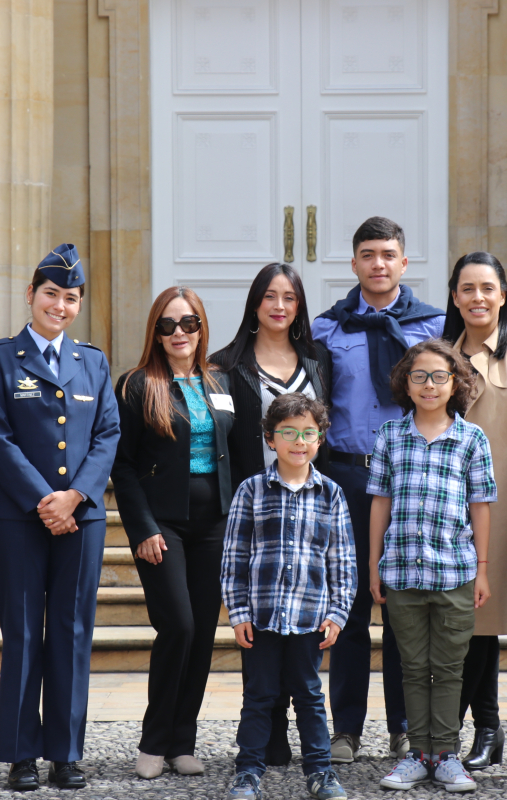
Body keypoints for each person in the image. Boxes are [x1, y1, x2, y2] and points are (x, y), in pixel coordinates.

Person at [0, 245, 121, 791]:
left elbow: (107, 434)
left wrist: (76, 496)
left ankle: (66, 753)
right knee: (22, 634)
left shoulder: (94, 361)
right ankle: (20, 754)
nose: (59, 306)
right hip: (19, 519)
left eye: (71, 298)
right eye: (51, 294)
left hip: (81, 520)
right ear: (32, 295)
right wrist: (45, 499)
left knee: (72, 632)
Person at [309, 216, 439, 762]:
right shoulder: (326, 329)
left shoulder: (431, 326)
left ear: (403, 263)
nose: (378, 263)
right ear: (355, 263)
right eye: (368, 254)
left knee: (405, 605)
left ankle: (404, 725)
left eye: (388, 254)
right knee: (352, 602)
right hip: (346, 473)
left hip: (411, 475)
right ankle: (347, 729)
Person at [210, 263, 332, 766]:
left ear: (299, 306)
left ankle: (310, 744)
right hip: (254, 504)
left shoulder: (319, 359)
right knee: (260, 626)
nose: (279, 305)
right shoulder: (225, 363)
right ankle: (268, 737)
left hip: (305, 506)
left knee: (299, 626)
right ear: (254, 303)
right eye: (270, 296)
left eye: (289, 297)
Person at [112, 287, 236, 780]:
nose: (178, 333)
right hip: (162, 526)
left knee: (203, 634)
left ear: (202, 329)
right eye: (167, 325)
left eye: (188, 324)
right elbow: (122, 466)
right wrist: (141, 528)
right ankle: (154, 739)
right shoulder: (138, 385)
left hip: (214, 527)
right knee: (178, 626)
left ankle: (182, 741)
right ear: (155, 332)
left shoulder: (218, 381)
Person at [370, 340, 496, 794]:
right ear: (406, 382)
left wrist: (482, 569)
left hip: (455, 572)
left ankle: (445, 755)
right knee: (410, 665)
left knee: (448, 667)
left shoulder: (471, 439)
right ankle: (416, 755)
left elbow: (481, 506)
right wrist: (373, 563)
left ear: (455, 383)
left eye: (439, 376)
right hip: (402, 572)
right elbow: (380, 501)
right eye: (419, 375)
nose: (429, 385)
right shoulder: (389, 435)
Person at [222, 393, 355, 800]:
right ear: (270, 439)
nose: (299, 441)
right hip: (260, 617)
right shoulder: (251, 491)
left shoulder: (330, 493)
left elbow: (343, 559)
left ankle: (320, 772)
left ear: (320, 440)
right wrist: (238, 611)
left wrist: (338, 612)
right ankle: (248, 772)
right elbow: (234, 556)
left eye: (308, 433)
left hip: (309, 618)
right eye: (288, 433)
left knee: (310, 696)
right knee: (259, 695)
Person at [442, 252, 507, 770]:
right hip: (444, 509)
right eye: (467, 289)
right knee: (461, 619)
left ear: (503, 293)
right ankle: (463, 730)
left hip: (502, 504)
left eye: (487, 288)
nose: (477, 298)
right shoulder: (439, 354)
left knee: (482, 620)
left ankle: (484, 726)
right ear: (454, 297)